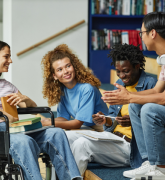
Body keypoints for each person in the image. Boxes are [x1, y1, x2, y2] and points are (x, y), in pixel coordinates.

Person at [65, 43, 157, 176]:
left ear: (137, 66)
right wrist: (105, 119)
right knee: (64, 136)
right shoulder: (119, 84)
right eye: (118, 71)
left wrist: (132, 122)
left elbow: (156, 123)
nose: (121, 76)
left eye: (126, 71)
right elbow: (112, 120)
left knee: (81, 144)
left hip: (130, 147)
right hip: (113, 137)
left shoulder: (151, 85)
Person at [0, 41, 82, 180]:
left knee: (56, 133)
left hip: (15, 130)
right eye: (6, 56)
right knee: (25, 142)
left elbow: (31, 106)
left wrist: (24, 99)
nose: (10, 60)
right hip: (4, 135)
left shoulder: (7, 86)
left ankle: (72, 178)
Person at [102, 12, 165, 179]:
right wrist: (127, 96)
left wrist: (129, 97)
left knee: (149, 109)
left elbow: (163, 98)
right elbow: (157, 90)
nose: (141, 37)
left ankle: (160, 166)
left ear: (153, 33)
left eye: (142, 33)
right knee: (136, 105)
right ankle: (147, 162)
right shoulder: (163, 59)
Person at [41, 44, 108, 131]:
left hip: (101, 128)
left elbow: (77, 124)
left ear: (74, 66)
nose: (66, 71)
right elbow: (63, 118)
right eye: (59, 69)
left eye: (68, 66)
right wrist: (47, 120)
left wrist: (50, 123)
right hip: (86, 127)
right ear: (55, 76)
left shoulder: (87, 88)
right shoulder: (62, 90)